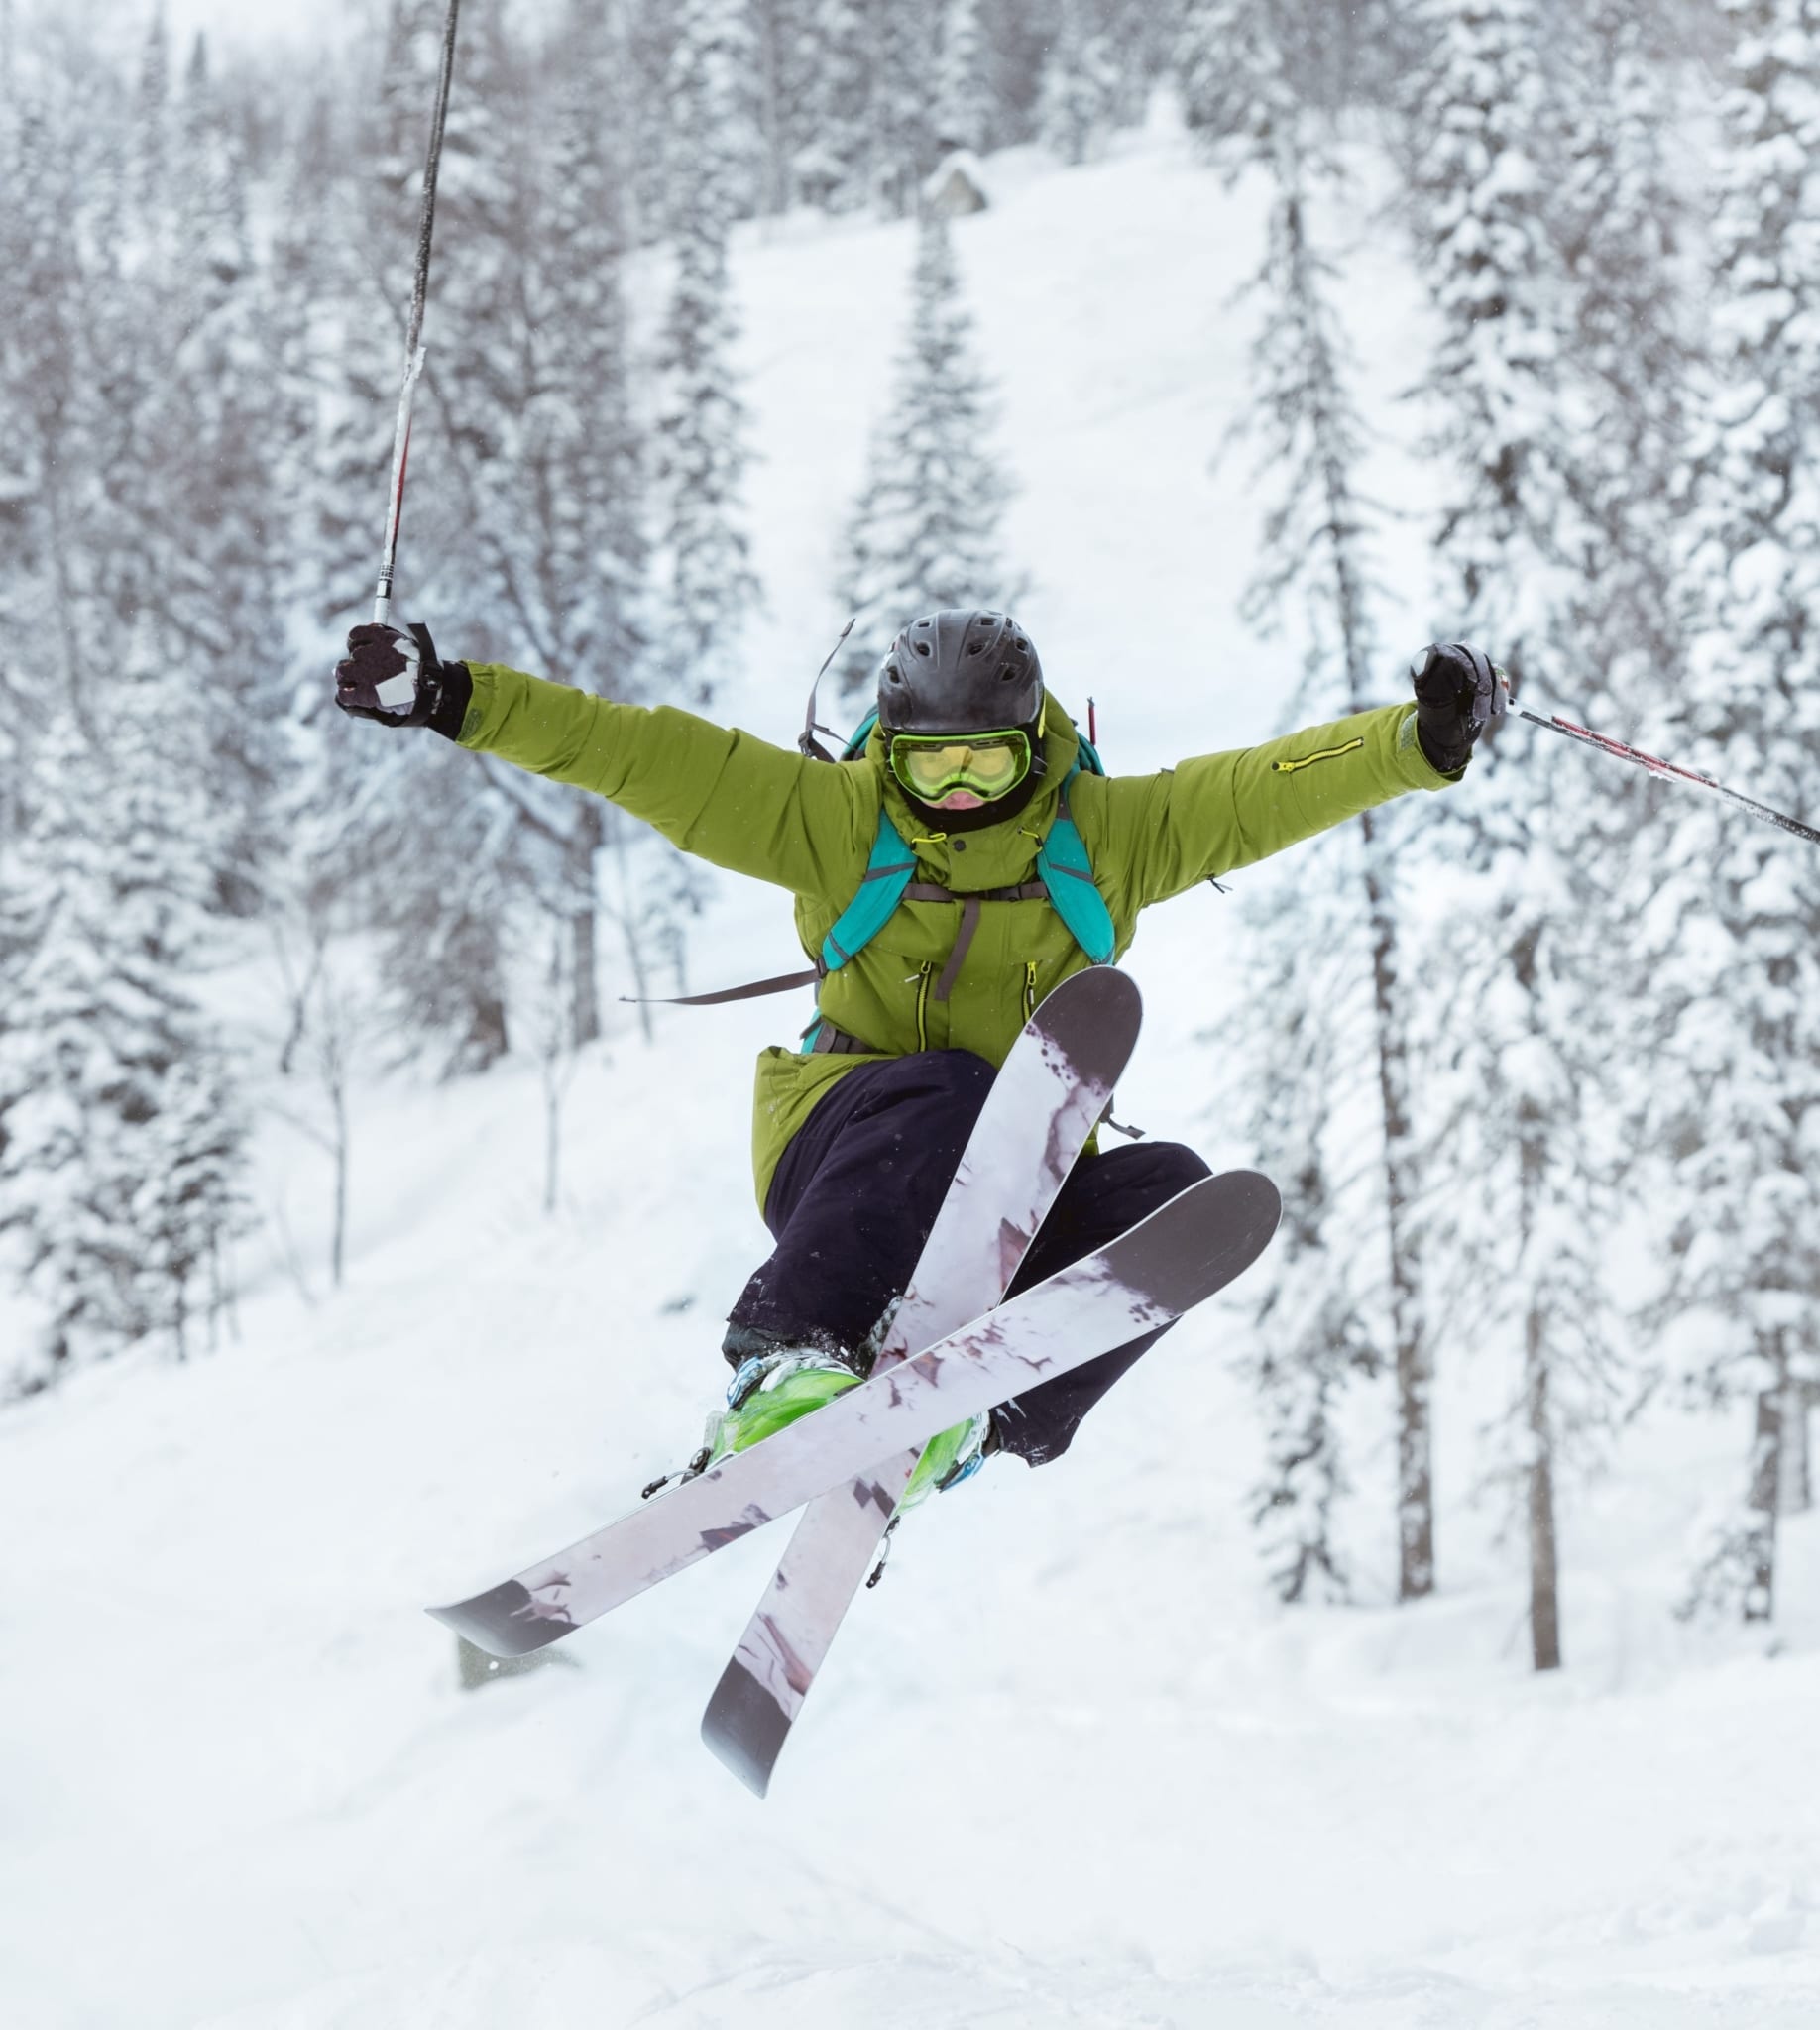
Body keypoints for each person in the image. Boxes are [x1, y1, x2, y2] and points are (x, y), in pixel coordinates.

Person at [336, 609, 1501, 1508]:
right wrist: (449, 695)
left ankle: (970, 1423)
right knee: (950, 1089)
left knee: (1169, 1194)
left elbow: (1258, 791)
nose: (953, 792)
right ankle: (786, 1361)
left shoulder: (1104, 836)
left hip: (1008, 1195)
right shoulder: (833, 820)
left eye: (983, 766)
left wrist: (1416, 742)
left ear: (1031, 750)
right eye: (930, 765)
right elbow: (638, 754)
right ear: (888, 752)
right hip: (844, 1152)